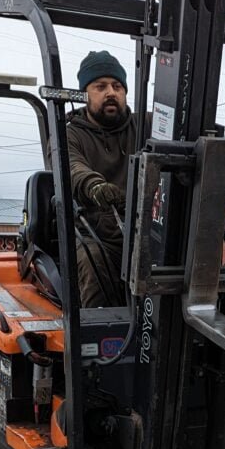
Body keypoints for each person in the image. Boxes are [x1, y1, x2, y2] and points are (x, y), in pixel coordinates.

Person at [67, 50, 137, 307]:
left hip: (143, 237)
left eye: (117, 86)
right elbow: (71, 167)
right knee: (93, 260)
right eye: (101, 86)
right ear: (85, 93)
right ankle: (96, 339)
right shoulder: (70, 136)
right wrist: (94, 186)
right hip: (95, 236)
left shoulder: (146, 128)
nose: (111, 92)